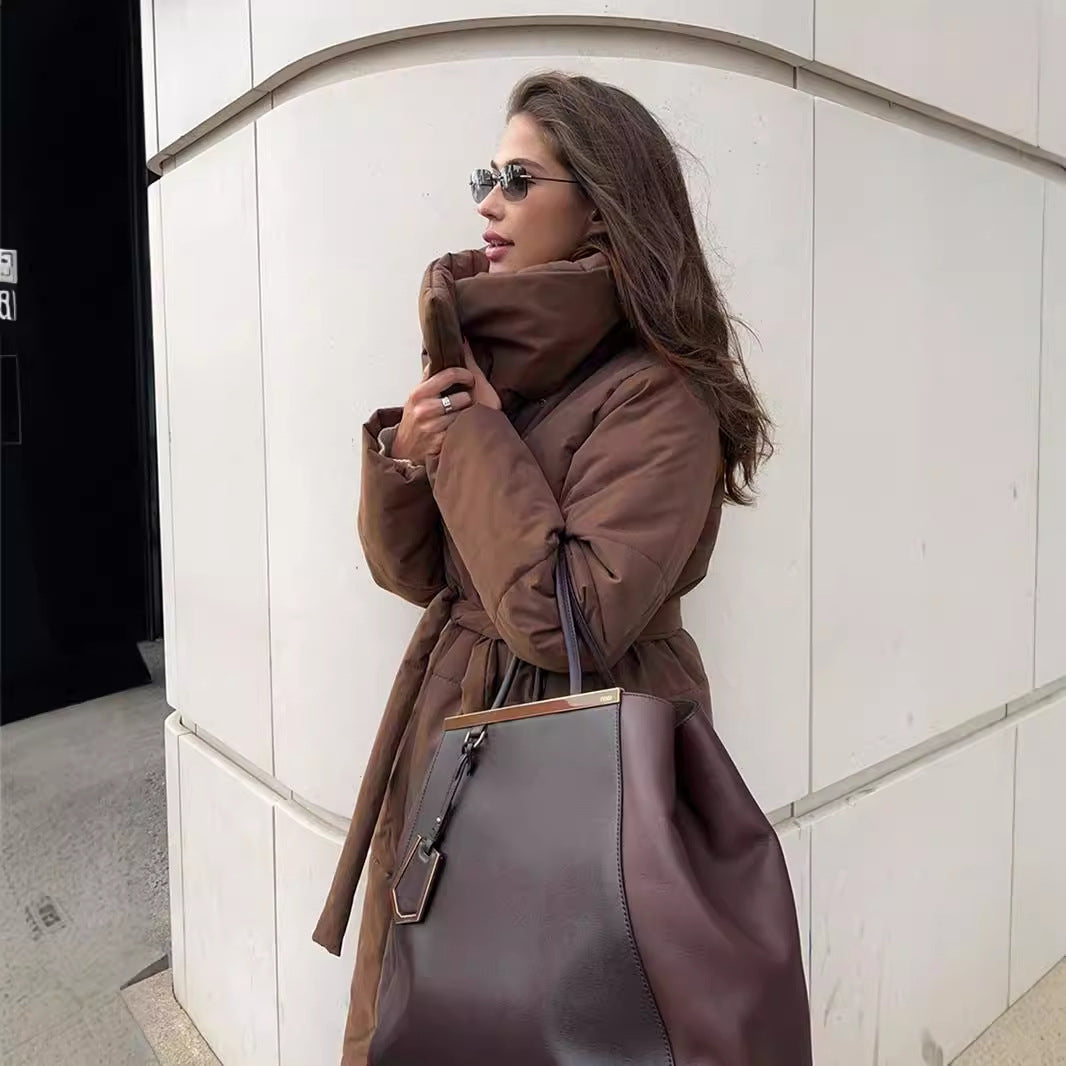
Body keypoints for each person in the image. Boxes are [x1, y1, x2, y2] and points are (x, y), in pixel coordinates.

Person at [313, 71, 775, 1066]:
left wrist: (476, 438)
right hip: (451, 729)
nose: (488, 204)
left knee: (555, 1012)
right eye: (486, 177)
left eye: (518, 180)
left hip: (578, 762)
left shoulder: (662, 396)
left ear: (601, 204)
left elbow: (567, 617)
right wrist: (412, 457)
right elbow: (417, 577)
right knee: (431, 1007)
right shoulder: (503, 368)